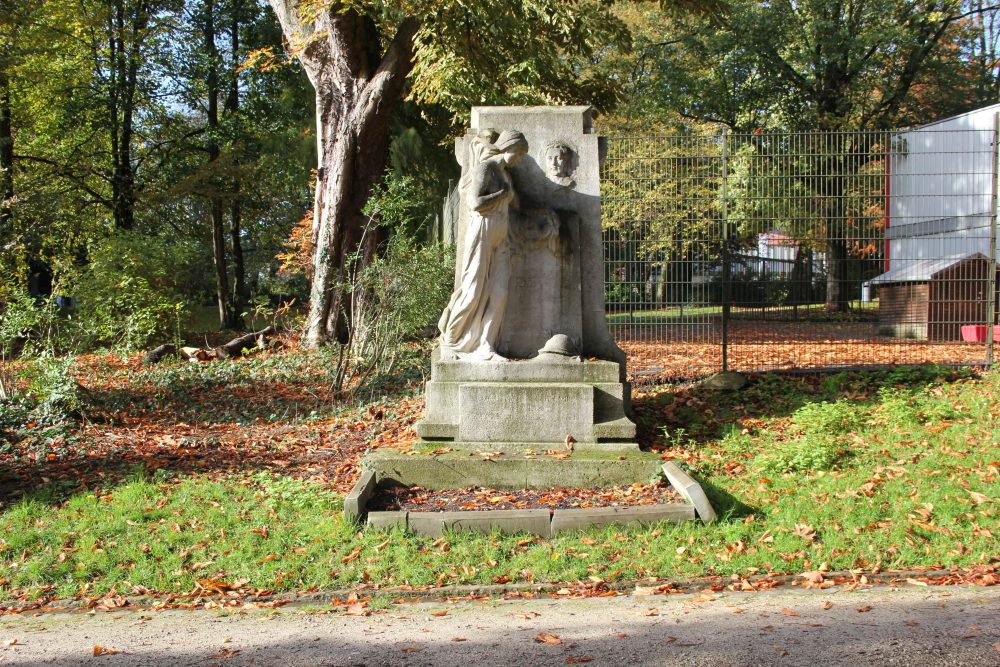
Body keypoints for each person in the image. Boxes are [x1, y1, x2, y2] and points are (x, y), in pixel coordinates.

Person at [438, 130, 529, 361]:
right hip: (483, 231)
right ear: (509, 147)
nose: (519, 159)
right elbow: (475, 203)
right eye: (519, 154)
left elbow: (514, 204)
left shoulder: (505, 174)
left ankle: (486, 346)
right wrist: (501, 194)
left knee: (500, 292)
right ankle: (452, 339)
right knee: (473, 290)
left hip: (501, 235)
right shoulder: (485, 169)